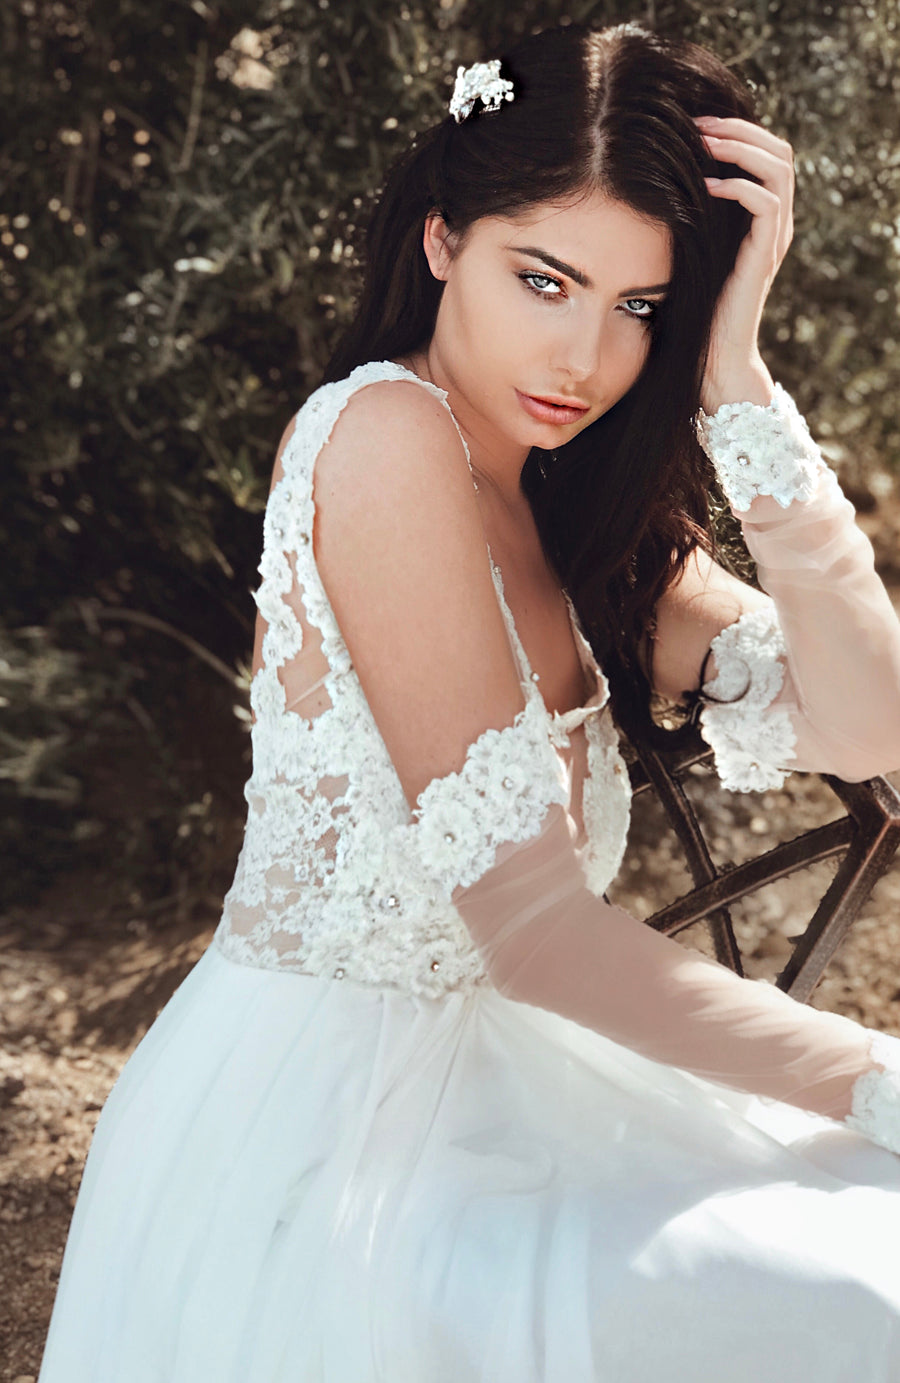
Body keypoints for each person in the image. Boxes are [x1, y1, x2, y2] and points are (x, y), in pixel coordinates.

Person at [38, 19, 900, 1382]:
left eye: (638, 309)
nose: (582, 356)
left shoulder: (581, 509)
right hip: (331, 1157)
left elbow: (872, 722)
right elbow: (536, 934)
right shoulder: (382, 439)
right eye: (542, 278)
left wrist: (738, 375)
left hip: (522, 1094)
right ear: (442, 239)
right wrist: (874, 1074)